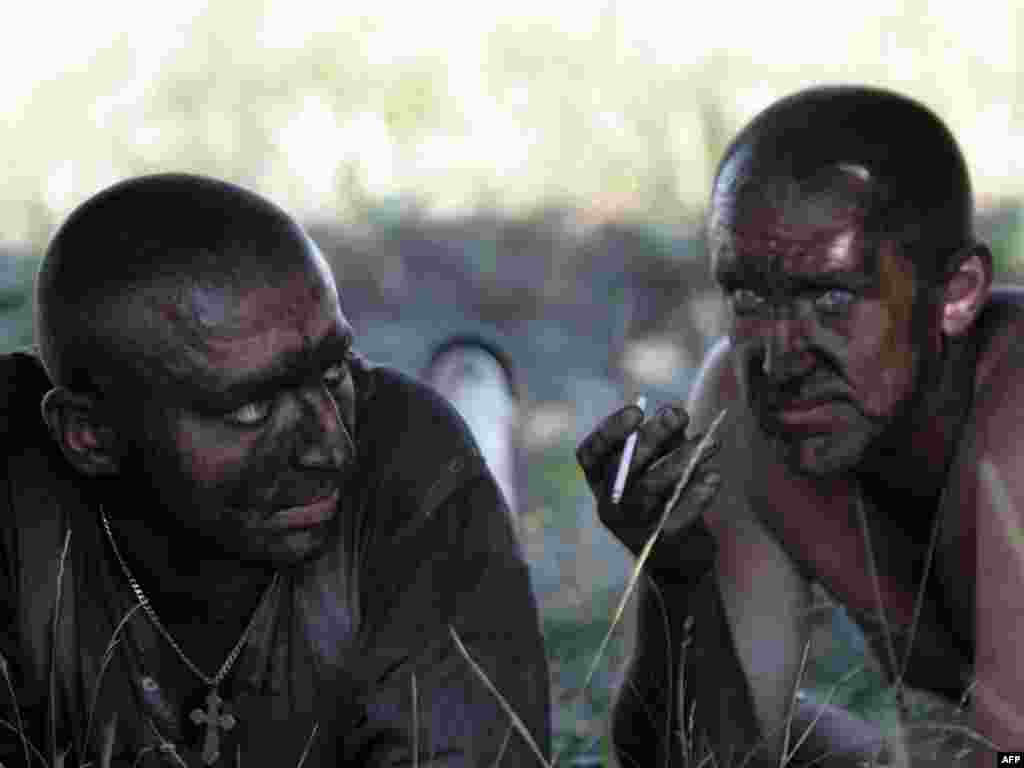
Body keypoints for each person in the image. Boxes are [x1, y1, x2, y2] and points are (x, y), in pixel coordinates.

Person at [0, 174, 550, 767]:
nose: (332, 449)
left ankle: (474, 389)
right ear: (90, 435)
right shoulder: (14, 490)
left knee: (453, 450)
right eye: (251, 409)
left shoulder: (412, 464)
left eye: (334, 370)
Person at [577, 85, 1024, 766]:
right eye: (749, 296)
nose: (780, 357)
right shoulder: (747, 402)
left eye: (832, 297)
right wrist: (676, 576)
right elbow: (696, 758)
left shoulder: (1014, 407)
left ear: (958, 294)